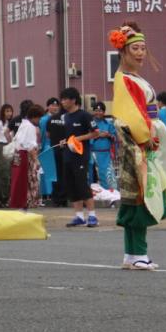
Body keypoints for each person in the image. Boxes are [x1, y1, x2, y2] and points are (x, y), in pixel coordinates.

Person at [108, 23, 166, 270]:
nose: (140, 53)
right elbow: (131, 113)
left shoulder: (133, 78)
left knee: (139, 196)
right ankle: (138, 253)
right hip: (139, 141)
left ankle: (132, 254)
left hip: (144, 138)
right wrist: (144, 136)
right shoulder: (125, 79)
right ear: (124, 51)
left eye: (142, 48)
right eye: (135, 48)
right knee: (143, 195)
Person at [59, 87, 99, 227]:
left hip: (81, 156)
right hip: (67, 155)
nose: (62, 102)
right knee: (71, 185)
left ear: (73, 100)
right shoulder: (65, 117)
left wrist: (77, 139)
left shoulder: (85, 116)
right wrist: (64, 141)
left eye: (65, 99)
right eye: (62, 99)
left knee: (82, 185)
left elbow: (95, 133)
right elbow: (68, 136)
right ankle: (79, 216)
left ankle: (92, 216)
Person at [9, 102, 44, 211]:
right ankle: (24, 206)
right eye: (39, 118)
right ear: (34, 117)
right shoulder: (30, 127)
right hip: (25, 156)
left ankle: (21, 206)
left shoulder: (23, 124)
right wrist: (36, 161)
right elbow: (29, 146)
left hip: (17, 155)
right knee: (27, 182)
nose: (39, 121)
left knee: (19, 181)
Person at [39, 98, 63, 205]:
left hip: (56, 146)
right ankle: (47, 194)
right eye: (52, 105)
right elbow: (43, 135)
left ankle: (51, 194)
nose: (54, 107)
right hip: (48, 146)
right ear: (48, 107)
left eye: (56, 105)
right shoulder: (44, 120)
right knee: (48, 171)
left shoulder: (59, 117)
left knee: (53, 172)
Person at [90, 101, 117, 191]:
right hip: (92, 154)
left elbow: (115, 137)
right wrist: (97, 135)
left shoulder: (109, 124)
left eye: (100, 110)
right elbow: (86, 137)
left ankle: (110, 195)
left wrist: (108, 135)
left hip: (106, 155)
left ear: (104, 112)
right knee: (92, 175)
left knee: (107, 175)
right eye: (96, 110)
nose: (98, 112)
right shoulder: (89, 123)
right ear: (93, 112)